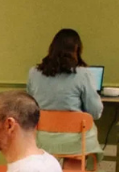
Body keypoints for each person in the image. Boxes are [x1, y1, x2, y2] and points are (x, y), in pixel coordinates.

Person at [27, 28, 103, 157]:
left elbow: (29, 105)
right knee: (79, 150)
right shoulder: (84, 74)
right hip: (76, 141)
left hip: (42, 139)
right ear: (77, 50)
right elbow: (95, 112)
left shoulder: (33, 73)